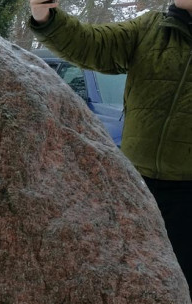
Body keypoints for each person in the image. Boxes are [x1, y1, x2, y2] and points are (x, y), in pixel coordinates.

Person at [29, 0, 192, 287]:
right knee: (125, 280)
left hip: (186, 197)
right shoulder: (150, 27)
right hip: (134, 185)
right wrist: (45, 17)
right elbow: (93, 44)